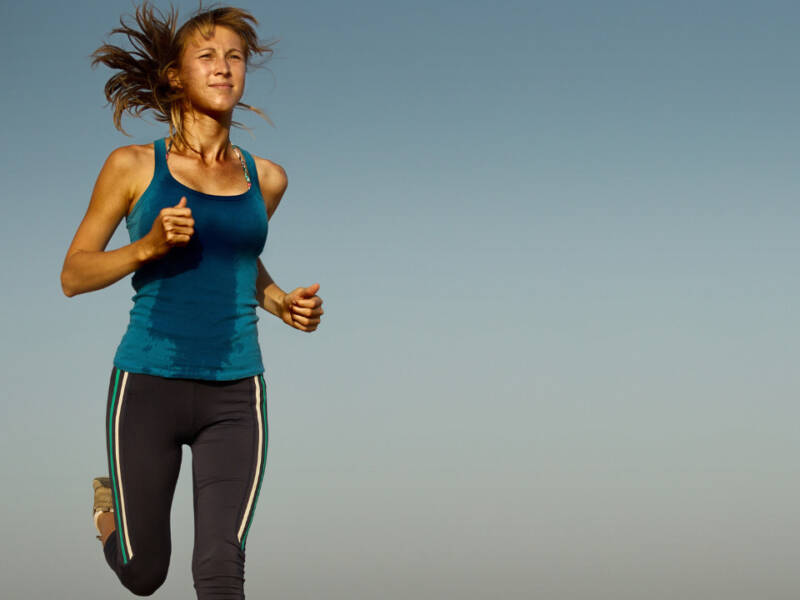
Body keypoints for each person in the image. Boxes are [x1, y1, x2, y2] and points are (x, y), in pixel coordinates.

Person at [60, 3, 323, 597]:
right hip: (149, 381)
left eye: (234, 57)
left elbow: (236, 259)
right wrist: (147, 247)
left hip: (236, 390)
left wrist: (281, 302)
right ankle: (109, 514)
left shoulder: (268, 178)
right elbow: (73, 275)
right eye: (207, 56)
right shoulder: (132, 166)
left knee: (220, 568)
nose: (224, 68)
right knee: (145, 572)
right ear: (177, 75)